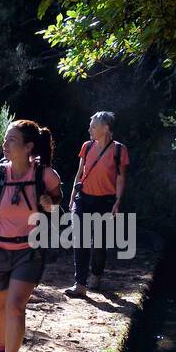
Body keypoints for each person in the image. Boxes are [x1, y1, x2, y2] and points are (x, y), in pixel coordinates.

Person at [0, 119, 62, 352]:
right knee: (0, 306)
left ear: (28, 147)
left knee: (15, 306)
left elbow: (58, 201)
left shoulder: (45, 175)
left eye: (11, 140)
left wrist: (50, 203)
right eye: (5, 140)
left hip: (29, 250)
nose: (4, 145)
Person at [64, 111, 129, 297]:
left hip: (105, 201)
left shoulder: (119, 150)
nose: (89, 129)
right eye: (90, 126)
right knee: (80, 239)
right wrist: (72, 195)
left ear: (106, 128)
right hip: (83, 198)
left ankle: (97, 274)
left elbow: (120, 177)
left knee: (99, 243)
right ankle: (80, 284)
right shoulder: (86, 146)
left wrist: (117, 201)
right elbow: (79, 174)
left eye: (93, 126)